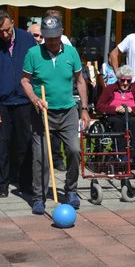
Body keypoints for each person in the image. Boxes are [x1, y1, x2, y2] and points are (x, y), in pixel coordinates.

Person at [21, 15, 91, 215]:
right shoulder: (33, 53)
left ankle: (71, 191)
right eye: (47, 38)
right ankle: (38, 198)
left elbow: (80, 81)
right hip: (42, 112)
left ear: (61, 34)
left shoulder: (71, 53)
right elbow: (25, 81)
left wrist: (84, 109)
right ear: (42, 36)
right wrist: (35, 99)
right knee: (41, 156)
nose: (51, 42)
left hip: (68, 111)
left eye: (55, 37)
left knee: (74, 150)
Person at [0, 9, 37, 198]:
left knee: (26, 144)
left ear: (12, 22)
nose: (4, 34)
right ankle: (2, 183)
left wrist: (35, 96)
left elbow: (35, 69)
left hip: (23, 100)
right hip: (2, 102)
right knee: (3, 145)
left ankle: (25, 182)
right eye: (0, 31)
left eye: (7, 29)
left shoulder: (27, 40)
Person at [96, 65, 135, 165]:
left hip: (130, 115)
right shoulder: (110, 89)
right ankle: (122, 154)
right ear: (118, 79)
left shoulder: (134, 89)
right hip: (114, 116)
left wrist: (132, 109)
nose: (125, 83)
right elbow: (99, 106)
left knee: (134, 122)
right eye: (123, 80)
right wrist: (114, 109)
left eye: (128, 81)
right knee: (118, 123)